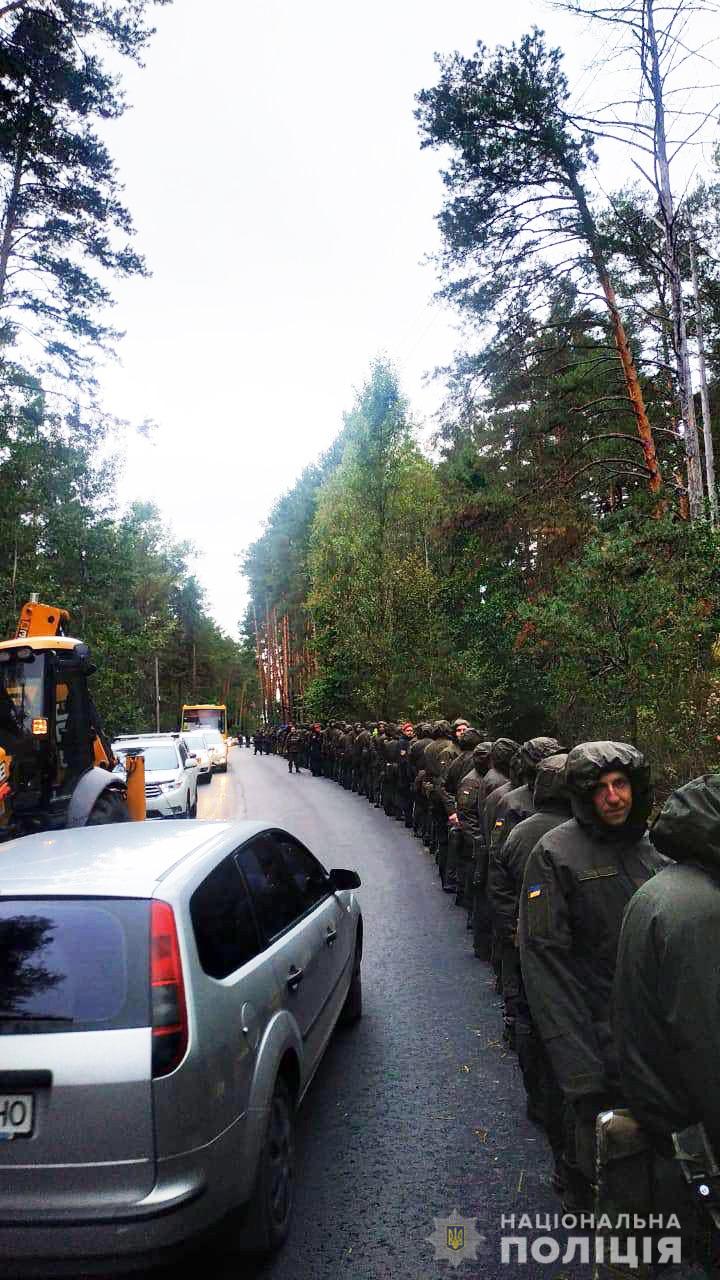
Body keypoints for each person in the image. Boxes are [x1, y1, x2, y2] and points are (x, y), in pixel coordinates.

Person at [518, 741, 667, 1207]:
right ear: (582, 795)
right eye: (600, 788)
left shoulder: (656, 847)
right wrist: (580, 1070)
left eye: (621, 784)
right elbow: (547, 965)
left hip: (655, 1040)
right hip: (593, 1035)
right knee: (595, 1154)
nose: (614, 797)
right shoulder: (555, 853)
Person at [613, 774, 720, 1265]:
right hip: (696, 1145)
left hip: (670, 1131)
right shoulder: (700, 911)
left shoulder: (669, 890)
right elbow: (705, 1046)